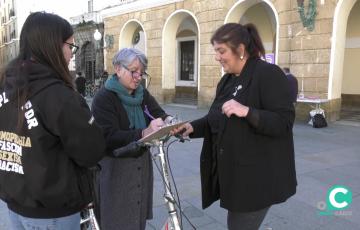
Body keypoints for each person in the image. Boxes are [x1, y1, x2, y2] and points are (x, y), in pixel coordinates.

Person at [173, 23, 297, 230]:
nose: (217, 57)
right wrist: (191, 127)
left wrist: (248, 111)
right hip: (236, 175)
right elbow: (215, 118)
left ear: (240, 50)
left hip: (257, 179)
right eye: (216, 51)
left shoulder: (268, 74)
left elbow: (283, 123)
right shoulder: (227, 80)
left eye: (221, 51)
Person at [0, 12, 106, 230]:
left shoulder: (5, 85)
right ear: (53, 47)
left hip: (14, 204)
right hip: (52, 212)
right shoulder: (58, 95)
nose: (71, 54)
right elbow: (91, 151)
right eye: (70, 47)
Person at [91, 48, 173, 230]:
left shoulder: (141, 94)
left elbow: (158, 112)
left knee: (137, 220)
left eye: (142, 72)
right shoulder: (104, 98)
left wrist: (171, 122)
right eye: (133, 71)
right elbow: (108, 136)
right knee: (117, 221)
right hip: (115, 170)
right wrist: (143, 133)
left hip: (140, 166)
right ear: (118, 69)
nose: (138, 76)